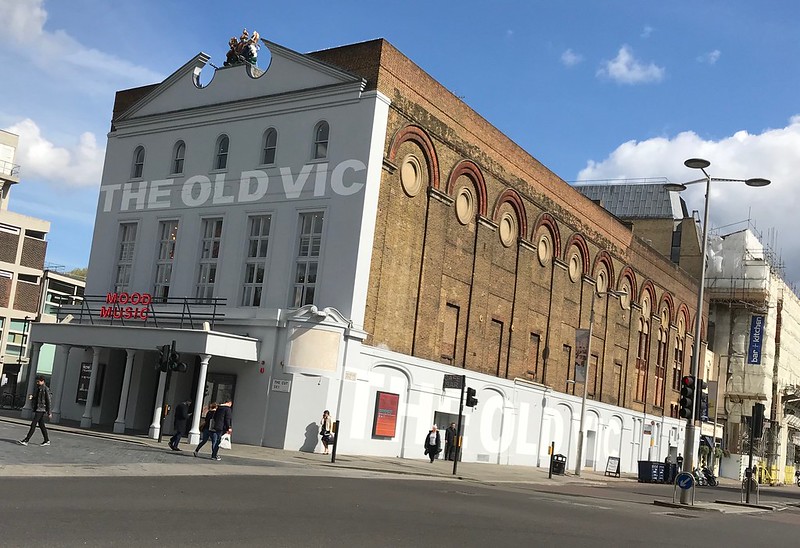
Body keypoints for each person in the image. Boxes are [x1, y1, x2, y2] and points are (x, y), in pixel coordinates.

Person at [18, 375, 52, 447]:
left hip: (41, 409)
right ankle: (47, 440)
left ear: (42, 381)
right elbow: (37, 398)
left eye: (38, 381)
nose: (37, 382)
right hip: (39, 408)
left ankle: (26, 440)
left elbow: (48, 401)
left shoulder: (45, 389)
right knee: (41, 425)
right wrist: (33, 397)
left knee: (33, 424)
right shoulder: (39, 388)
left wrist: (49, 412)